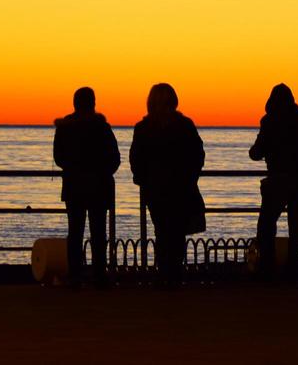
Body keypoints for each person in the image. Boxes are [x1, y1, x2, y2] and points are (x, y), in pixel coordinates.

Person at [129, 82, 205, 287]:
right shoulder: (185, 126)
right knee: (177, 232)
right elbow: (198, 155)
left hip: (155, 190)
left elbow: (135, 159)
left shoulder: (143, 128)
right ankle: (174, 273)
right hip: (181, 188)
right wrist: (190, 178)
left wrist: (143, 180)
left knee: (162, 231)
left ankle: (163, 273)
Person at [249, 82, 298, 282]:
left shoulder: (270, 121)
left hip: (277, 179)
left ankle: (267, 268)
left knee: (266, 224)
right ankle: (293, 270)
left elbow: (256, 152)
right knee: (297, 226)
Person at [53, 86, 121, 289]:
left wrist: (75, 168)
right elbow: (114, 158)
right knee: (98, 233)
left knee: (75, 232)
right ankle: (99, 274)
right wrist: (102, 171)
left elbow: (59, 158)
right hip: (99, 187)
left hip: (74, 187)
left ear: (74, 103)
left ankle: (75, 274)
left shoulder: (66, 128)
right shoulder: (102, 127)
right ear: (93, 103)